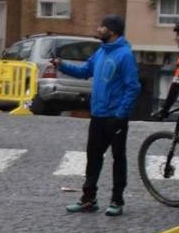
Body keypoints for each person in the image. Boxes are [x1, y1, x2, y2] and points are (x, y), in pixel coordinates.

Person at [54, 15, 141, 216]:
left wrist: (121, 114)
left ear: (113, 31)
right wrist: (62, 65)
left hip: (115, 117)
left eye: (102, 26)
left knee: (118, 158)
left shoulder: (125, 55)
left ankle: (117, 200)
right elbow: (85, 71)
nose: (98, 28)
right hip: (98, 115)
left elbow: (133, 87)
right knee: (93, 158)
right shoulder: (101, 51)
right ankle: (89, 199)